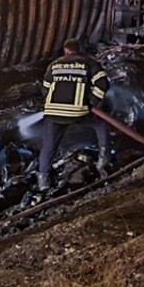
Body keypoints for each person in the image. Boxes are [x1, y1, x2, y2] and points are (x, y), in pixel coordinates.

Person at [36, 38, 110, 192]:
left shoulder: (54, 65)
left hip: (52, 112)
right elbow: (103, 83)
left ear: (65, 51)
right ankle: (103, 158)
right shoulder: (87, 62)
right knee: (100, 123)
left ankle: (43, 181)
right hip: (77, 110)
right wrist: (92, 101)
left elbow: (45, 88)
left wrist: (55, 100)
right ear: (79, 49)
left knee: (49, 146)